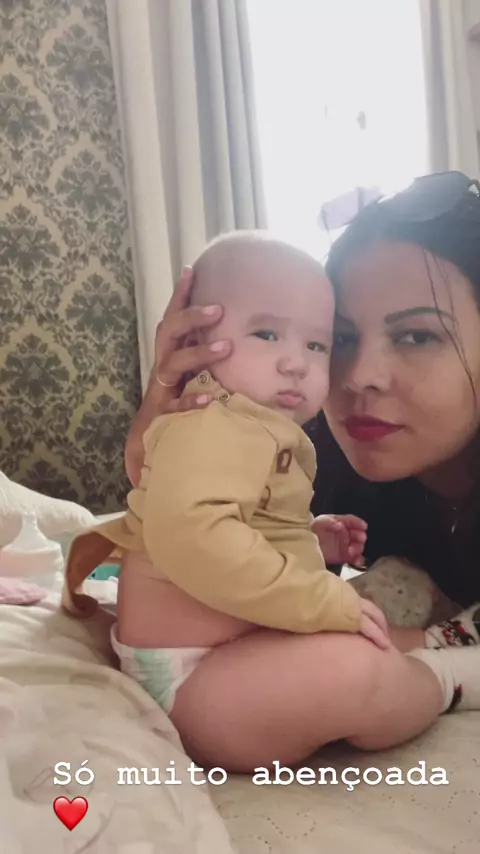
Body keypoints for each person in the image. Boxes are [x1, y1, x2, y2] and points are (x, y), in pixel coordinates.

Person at [113, 171, 480, 773]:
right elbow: (192, 523)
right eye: (341, 339)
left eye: (416, 336)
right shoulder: (308, 444)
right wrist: (154, 433)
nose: (357, 376)